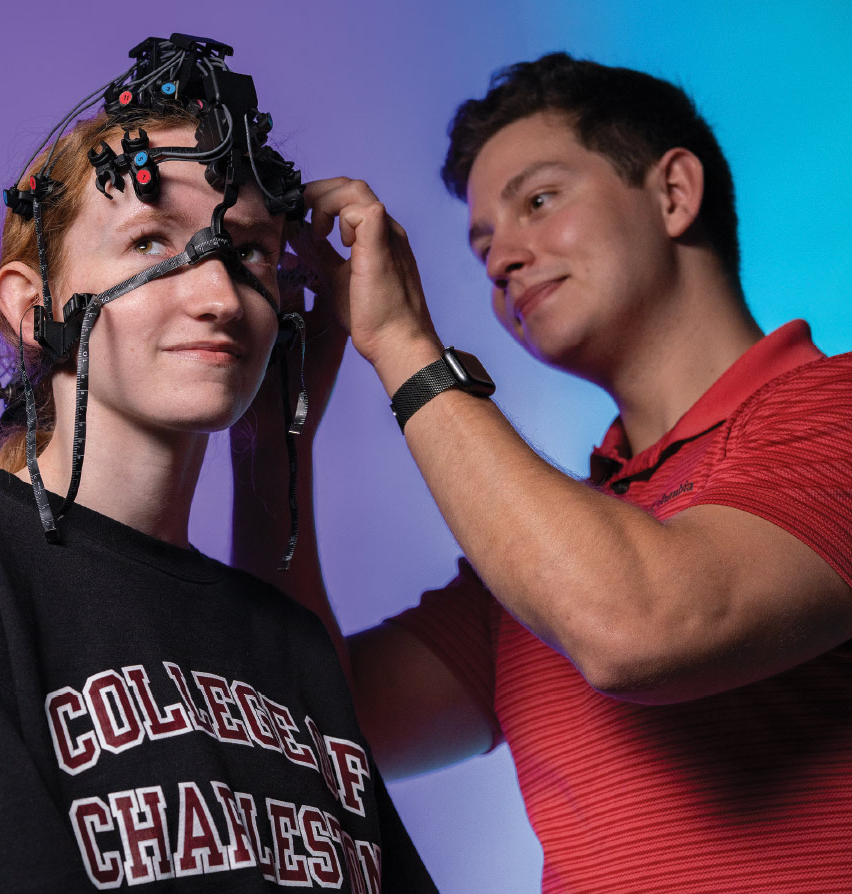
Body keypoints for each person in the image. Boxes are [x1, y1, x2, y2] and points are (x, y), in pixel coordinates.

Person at [0, 36, 434, 893]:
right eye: (152, 242)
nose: (219, 295)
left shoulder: (292, 644)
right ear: (33, 307)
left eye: (250, 250)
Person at [233, 53, 852, 891]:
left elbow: (642, 625)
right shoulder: (540, 559)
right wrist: (276, 430)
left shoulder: (834, 408)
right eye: (483, 242)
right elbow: (305, 729)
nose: (500, 260)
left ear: (674, 193)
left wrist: (407, 345)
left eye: (539, 201)